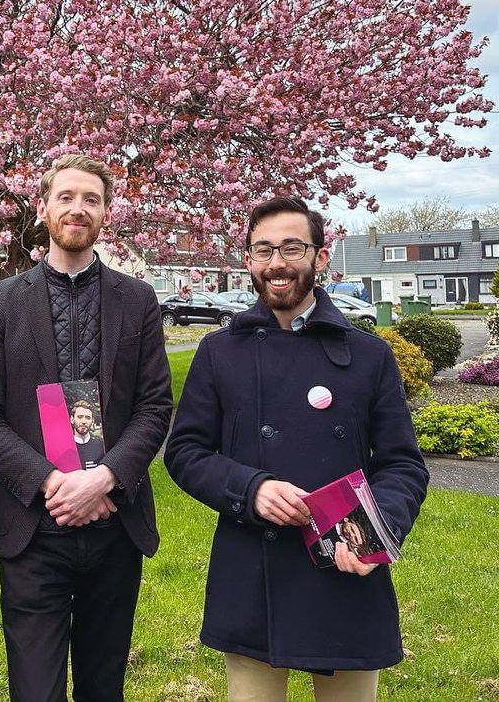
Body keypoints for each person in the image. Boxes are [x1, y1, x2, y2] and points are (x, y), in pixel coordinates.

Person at [165, 196, 428, 702]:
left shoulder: (369, 356)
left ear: (320, 257)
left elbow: (402, 465)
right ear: (248, 261)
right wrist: (251, 488)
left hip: (346, 571)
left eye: (292, 248)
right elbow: (186, 452)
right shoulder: (219, 353)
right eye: (263, 250)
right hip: (252, 574)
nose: (277, 263)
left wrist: (377, 532)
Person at [0, 153, 173, 702]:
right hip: (34, 526)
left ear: (106, 213)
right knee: (35, 690)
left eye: (92, 200)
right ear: (43, 208)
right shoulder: (4, 301)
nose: (78, 209)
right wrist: (54, 484)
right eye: (66, 197)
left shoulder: (138, 299)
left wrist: (103, 479)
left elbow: (155, 407)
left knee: (104, 687)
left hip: (114, 524)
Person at [70, 402, 105, 469]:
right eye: (80, 417)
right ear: (72, 419)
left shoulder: (102, 447)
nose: (84, 421)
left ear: (92, 421)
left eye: (88, 418)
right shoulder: (64, 449)